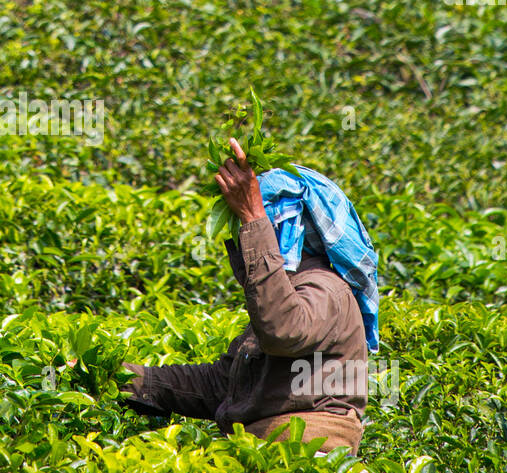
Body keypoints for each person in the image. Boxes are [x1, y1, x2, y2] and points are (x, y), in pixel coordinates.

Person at [120, 139, 374, 456]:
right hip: (261, 450)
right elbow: (219, 386)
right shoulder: (288, 294)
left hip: (304, 458)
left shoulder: (327, 289)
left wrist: (254, 217)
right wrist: (125, 378)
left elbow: (284, 331)